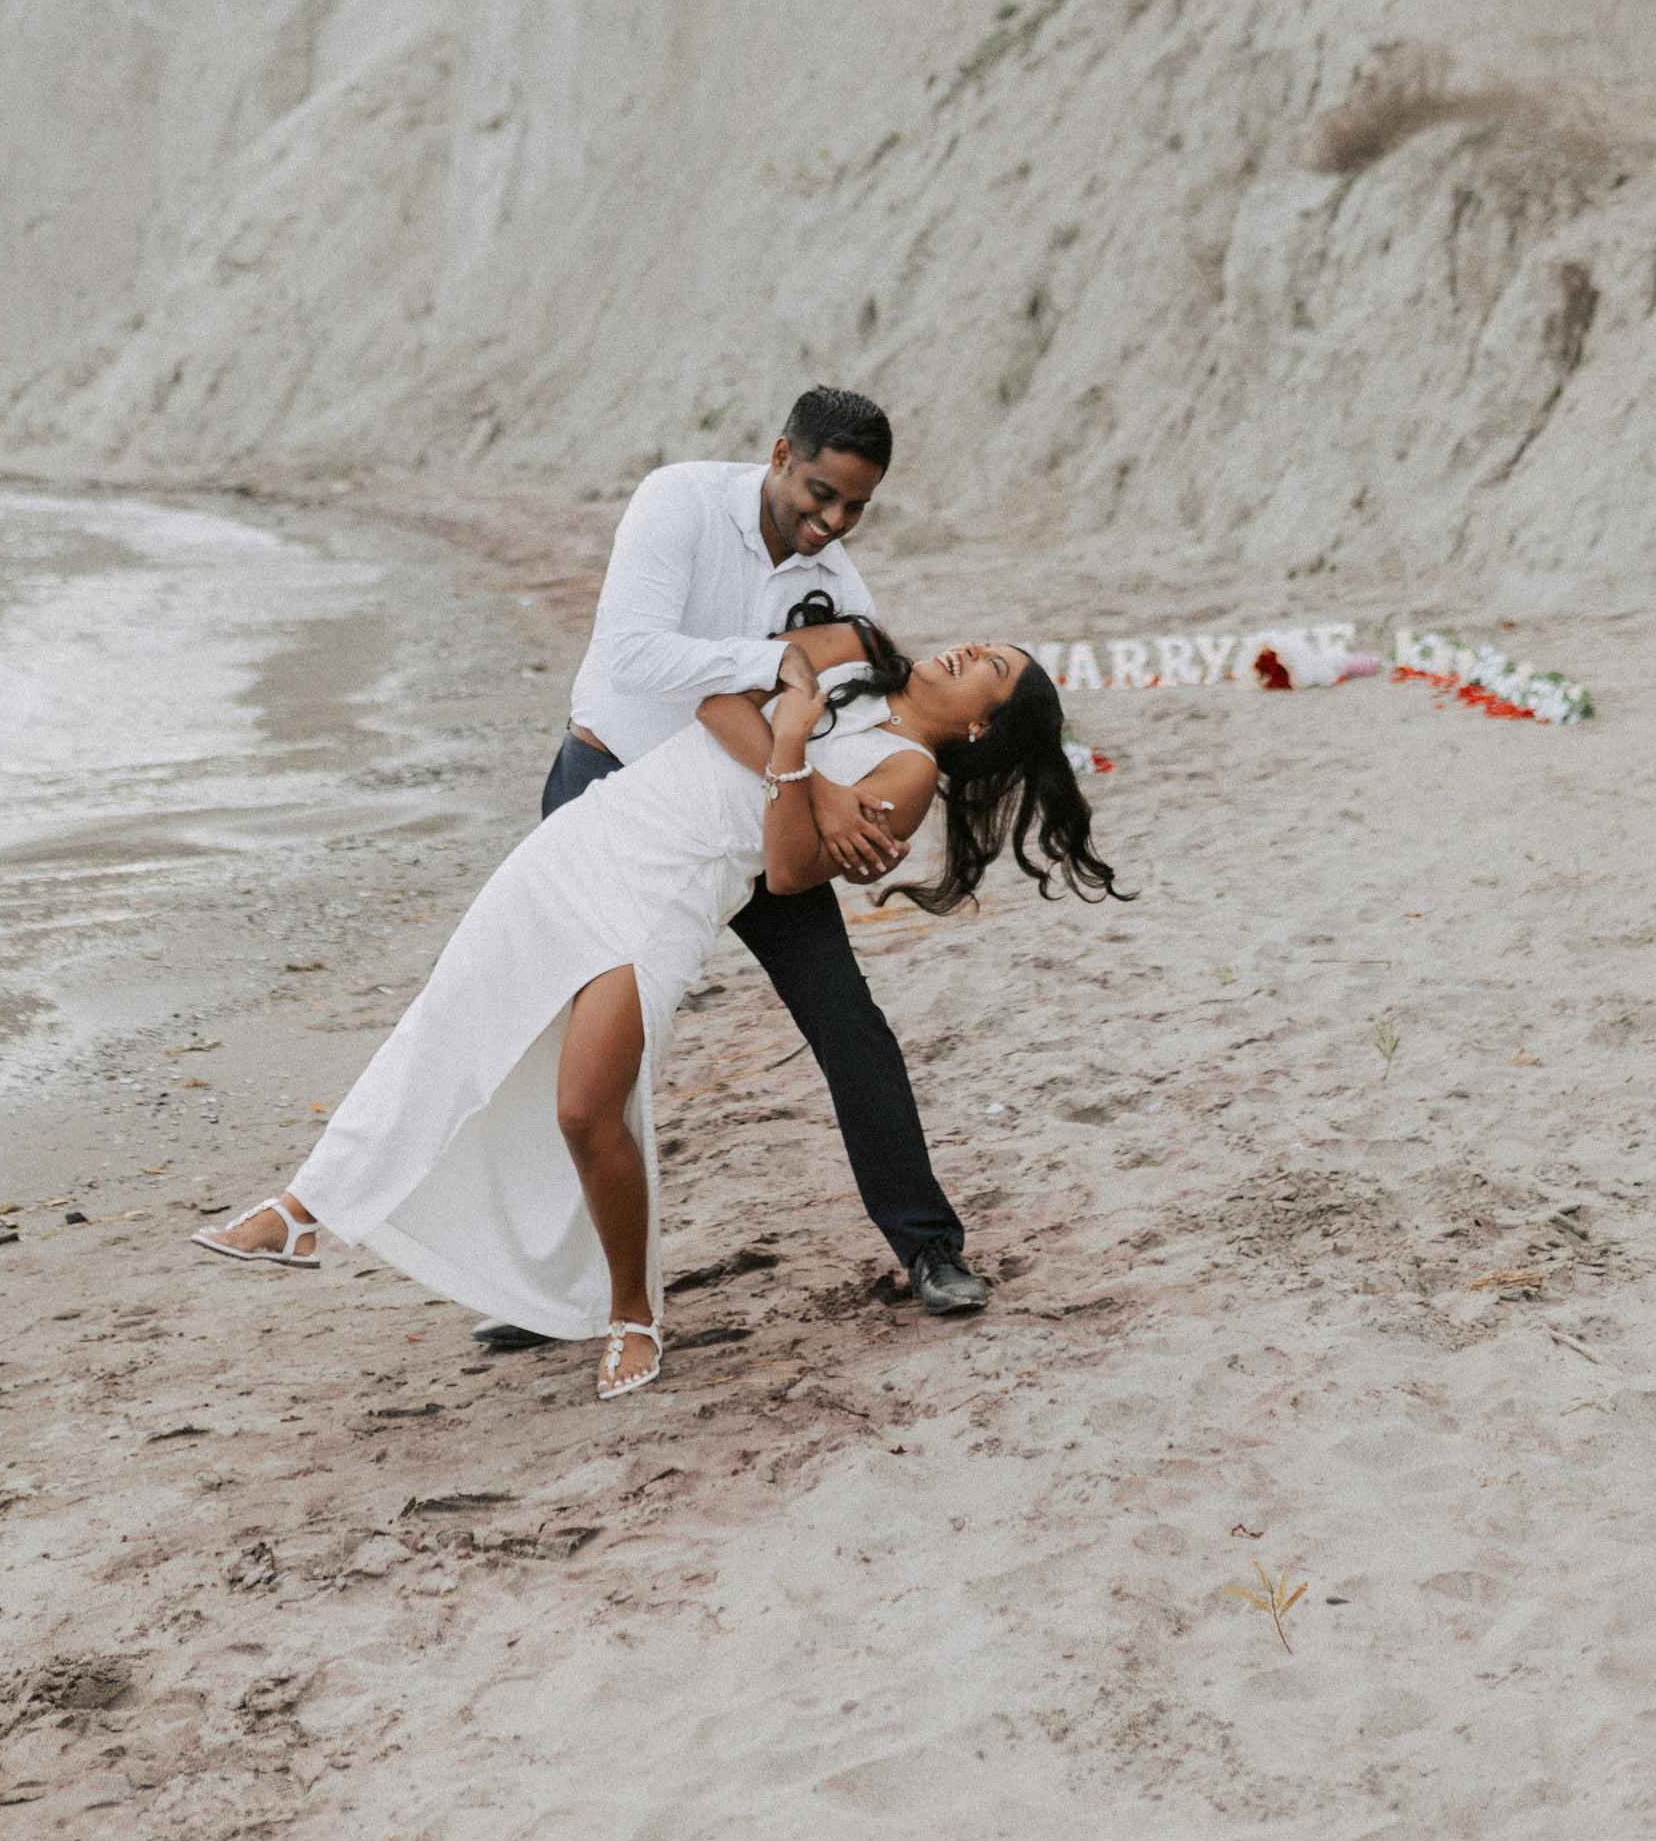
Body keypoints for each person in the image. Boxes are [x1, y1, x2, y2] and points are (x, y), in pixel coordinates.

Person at [193, 622, 1119, 1399]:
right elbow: (713, 697)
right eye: (980, 642)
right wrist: (788, 719)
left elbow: (791, 870)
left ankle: (632, 1310)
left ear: (984, 726)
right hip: (596, 835)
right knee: (448, 1023)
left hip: (675, 890)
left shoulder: (909, 773)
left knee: (586, 1108)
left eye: (992, 668)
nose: (967, 652)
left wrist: (794, 747)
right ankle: (308, 1206)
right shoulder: (847, 656)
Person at [535, 388, 985, 1327]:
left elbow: (849, 723)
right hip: (611, 792)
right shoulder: (680, 501)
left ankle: (929, 1245)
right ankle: (559, 1292)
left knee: (847, 1020)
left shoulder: (841, 594)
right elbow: (634, 658)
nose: (832, 522)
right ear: (781, 453)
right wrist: (790, 712)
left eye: (856, 507)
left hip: (745, 822)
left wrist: (860, 820)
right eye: (821, 493)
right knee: (590, 1058)